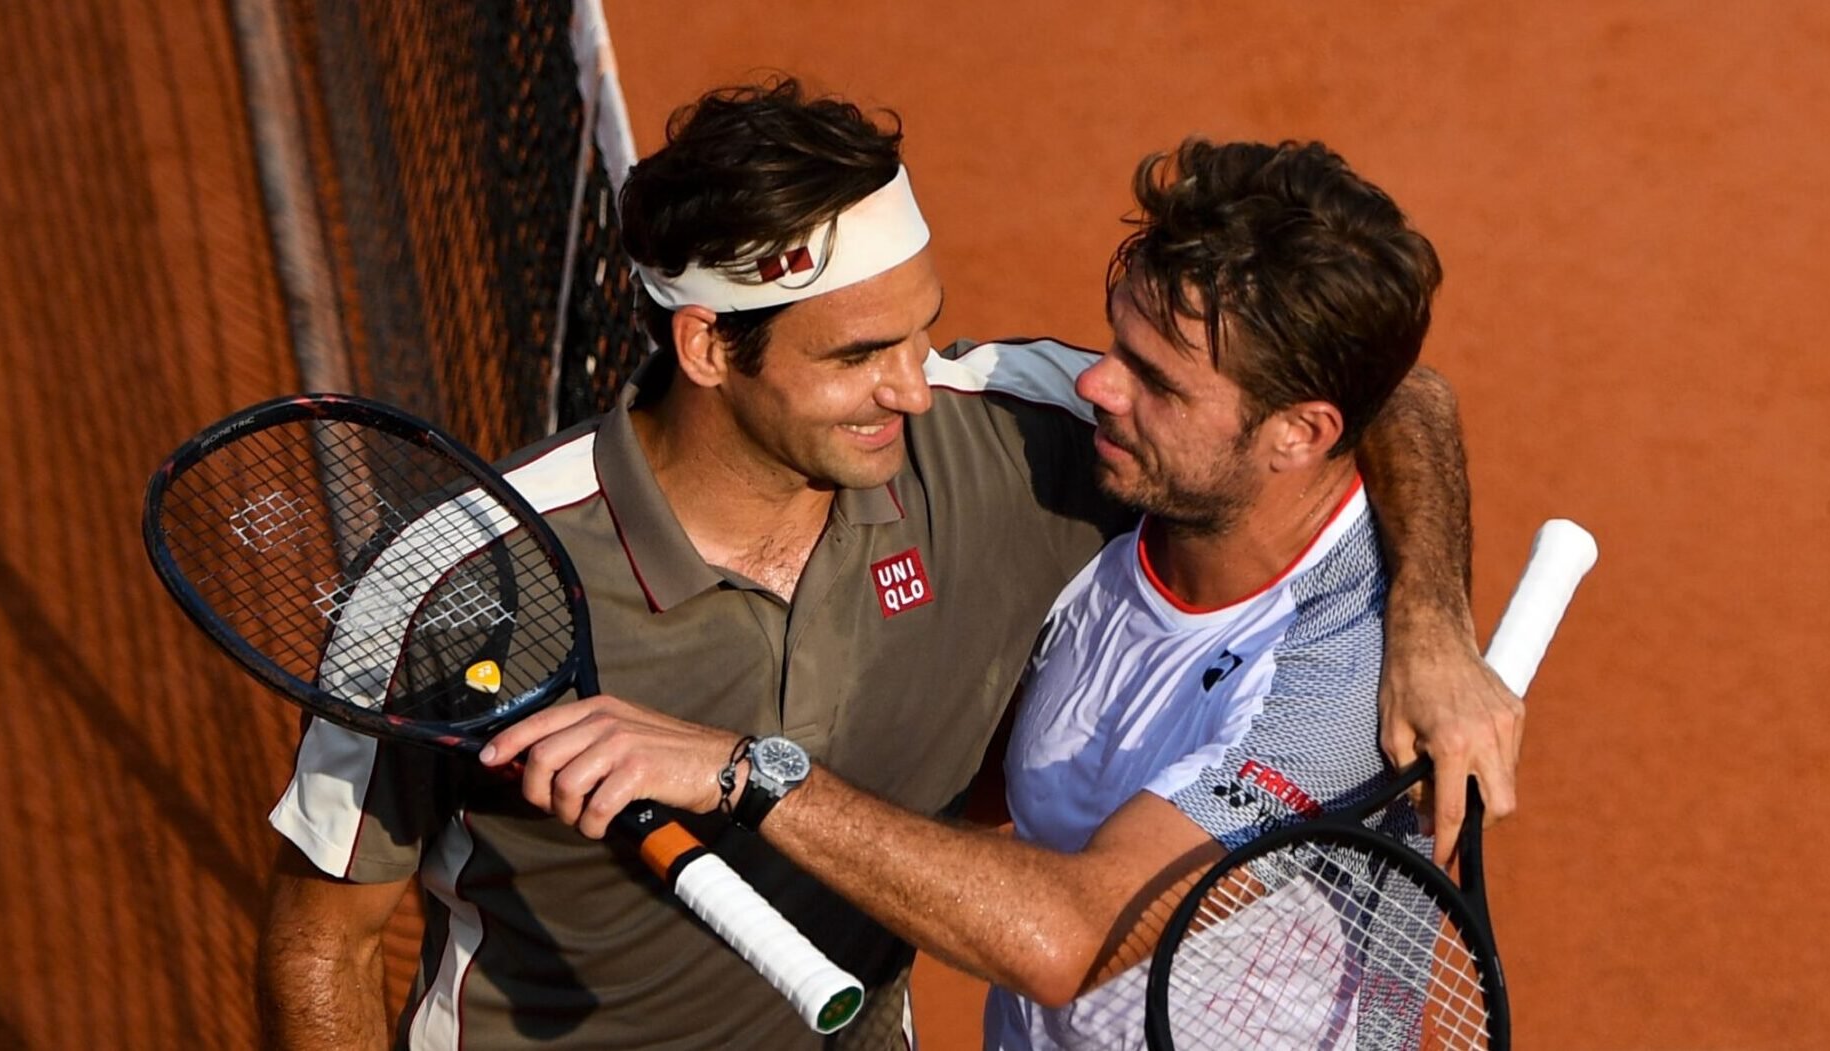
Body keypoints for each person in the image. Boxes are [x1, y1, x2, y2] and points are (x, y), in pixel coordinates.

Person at [260, 80, 1518, 1051]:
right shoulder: (461, 580)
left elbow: (1380, 386)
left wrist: (1423, 616)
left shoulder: (1007, 445)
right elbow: (327, 939)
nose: (919, 384)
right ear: (708, 347)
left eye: (925, 328)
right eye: (862, 351)